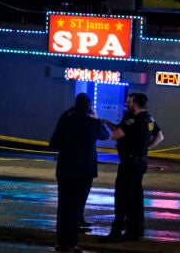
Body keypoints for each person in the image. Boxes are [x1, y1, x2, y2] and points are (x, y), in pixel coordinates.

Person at [100, 92, 164, 243]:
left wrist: (109, 127)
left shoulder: (131, 119)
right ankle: (135, 231)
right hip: (140, 162)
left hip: (129, 164)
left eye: (129, 101)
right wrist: (145, 149)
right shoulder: (149, 119)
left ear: (135, 103)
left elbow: (115, 135)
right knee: (136, 198)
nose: (127, 103)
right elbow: (160, 136)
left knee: (122, 198)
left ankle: (116, 233)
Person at [49, 93, 109, 252]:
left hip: (65, 168)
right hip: (84, 170)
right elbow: (105, 135)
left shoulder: (66, 119)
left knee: (63, 207)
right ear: (89, 107)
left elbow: (53, 143)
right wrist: (96, 120)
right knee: (76, 207)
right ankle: (71, 243)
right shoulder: (92, 123)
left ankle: (61, 242)